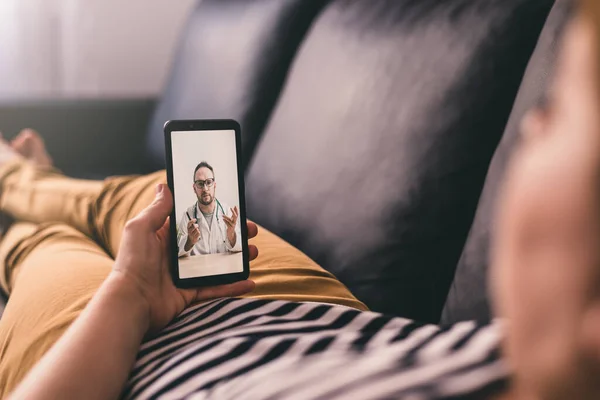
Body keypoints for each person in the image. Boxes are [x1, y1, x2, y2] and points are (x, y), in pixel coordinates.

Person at [3, 4, 600, 399]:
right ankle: (31, 178)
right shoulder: (518, 353)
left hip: (104, 352)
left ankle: (17, 182)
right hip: (305, 305)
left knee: (38, 242)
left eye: (559, 110)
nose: (531, 127)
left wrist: (128, 294)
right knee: (131, 196)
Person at [176, 161, 241, 257]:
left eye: (209, 182)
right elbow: (178, 253)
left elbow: (240, 248)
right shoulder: (187, 216)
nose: (205, 188)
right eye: (200, 183)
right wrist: (189, 241)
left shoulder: (227, 212)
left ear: (214, 185)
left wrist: (231, 235)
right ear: (194, 188)